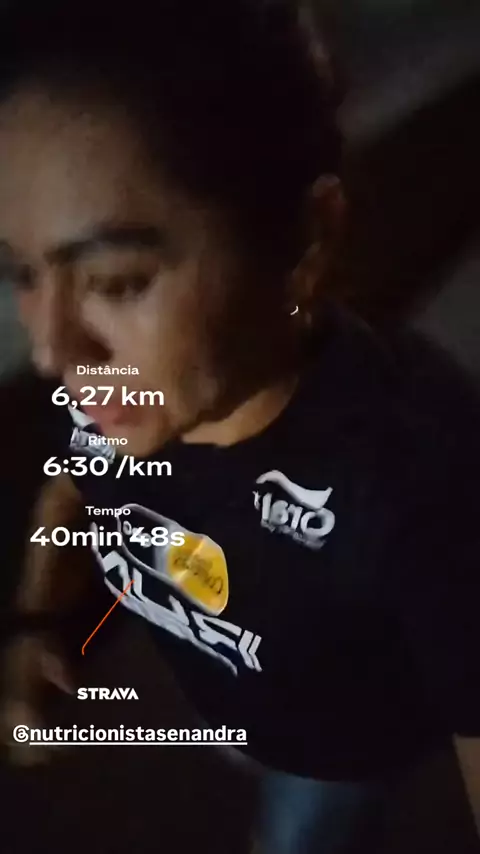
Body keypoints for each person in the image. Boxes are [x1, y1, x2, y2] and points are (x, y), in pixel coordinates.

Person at [0, 1, 479, 851]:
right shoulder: (118, 388)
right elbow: (72, 484)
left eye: (116, 281)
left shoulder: (424, 487)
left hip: (335, 762)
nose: (51, 351)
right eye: (23, 275)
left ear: (307, 240)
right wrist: (40, 622)